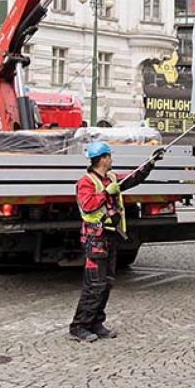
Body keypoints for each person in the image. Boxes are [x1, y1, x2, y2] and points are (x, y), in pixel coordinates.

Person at [69, 141, 163, 342]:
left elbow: (132, 178)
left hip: (110, 238)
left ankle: (96, 322)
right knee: (94, 284)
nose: (112, 159)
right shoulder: (86, 182)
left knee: (106, 283)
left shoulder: (111, 178)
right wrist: (105, 193)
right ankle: (79, 326)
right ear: (103, 159)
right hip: (95, 239)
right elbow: (87, 206)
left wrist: (150, 163)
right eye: (109, 156)